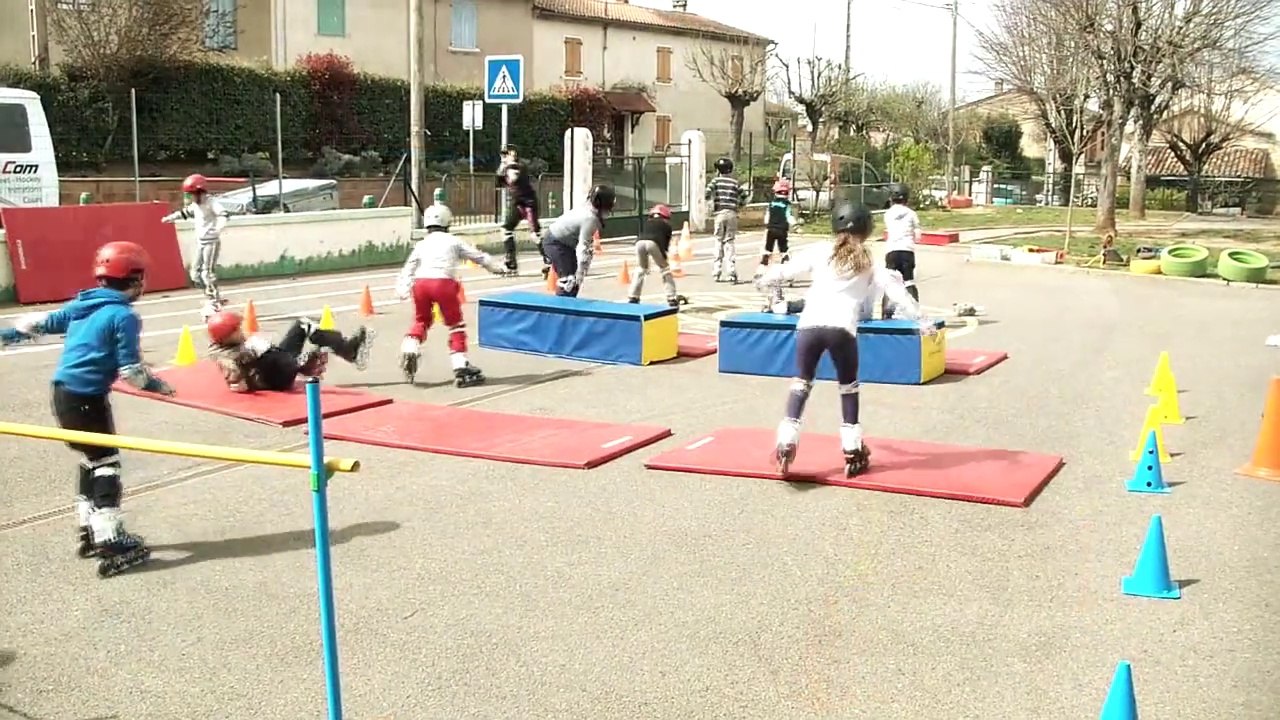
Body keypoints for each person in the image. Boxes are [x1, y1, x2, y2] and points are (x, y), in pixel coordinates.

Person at [7, 241, 175, 577]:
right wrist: (160, 386)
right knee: (106, 463)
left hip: (63, 393)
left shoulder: (84, 303)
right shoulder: (124, 315)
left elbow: (39, 324)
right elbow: (132, 372)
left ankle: (88, 529)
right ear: (137, 278)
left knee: (92, 459)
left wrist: (6, 334)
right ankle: (109, 539)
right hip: (86, 398)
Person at [756, 202, 934, 479]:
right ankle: (852, 448)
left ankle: (786, 441)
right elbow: (898, 294)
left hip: (810, 327)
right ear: (866, 229)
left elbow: (786, 270)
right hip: (842, 330)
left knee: (802, 383)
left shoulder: (820, 251)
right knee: (848, 387)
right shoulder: (870, 261)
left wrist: (764, 280)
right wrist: (923, 321)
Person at [394, 203, 506, 386]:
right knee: (455, 324)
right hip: (443, 283)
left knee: (422, 320)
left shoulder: (422, 244)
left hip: (420, 284)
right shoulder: (453, 241)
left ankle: (410, 346)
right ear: (447, 221)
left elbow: (409, 267)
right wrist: (498, 268)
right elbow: (477, 256)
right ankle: (460, 364)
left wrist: (403, 289)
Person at [206, 311, 373, 392]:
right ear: (227, 337)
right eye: (237, 330)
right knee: (265, 354)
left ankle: (349, 351)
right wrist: (249, 360)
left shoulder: (236, 343)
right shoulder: (225, 356)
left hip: (279, 363)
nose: (241, 331)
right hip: (270, 379)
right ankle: (299, 365)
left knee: (303, 324)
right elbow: (237, 381)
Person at [162, 173, 231, 320]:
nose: (189, 198)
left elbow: (223, 214)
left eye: (191, 194)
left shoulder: (211, 203)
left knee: (207, 273)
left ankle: (214, 302)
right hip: (201, 242)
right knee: (195, 274)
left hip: (211, 242)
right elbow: (184, 213)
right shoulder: (196, 205)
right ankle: (211, 295)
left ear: (200, 192)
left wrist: (218, 227)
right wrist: (170, 218)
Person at [540, 184, 616, 298]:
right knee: (569, 281)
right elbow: (584, 247)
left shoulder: (588, 208)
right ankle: (563, 309)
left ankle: (566, 304)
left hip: (561, 242)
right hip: (556, 243)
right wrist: (581, 272)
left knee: (572, 280)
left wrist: (580, 272)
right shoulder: (590, 219)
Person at [494, 145, 544, 276]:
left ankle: (550, 260)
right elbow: (498, 184)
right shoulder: (506, 167)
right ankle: (511, 261)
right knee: (506, 229)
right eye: (504, 154)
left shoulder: (519, 166)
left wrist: (506, 165)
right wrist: (502, 166)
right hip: (517, 203)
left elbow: (513, 177)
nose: (505, 156)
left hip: (529, 203)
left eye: (508, 154)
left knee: (535, 234)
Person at [626, 204, 688, 308]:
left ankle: (633, 297)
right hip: (654, 243)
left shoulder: (648, 223)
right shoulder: (666, 226)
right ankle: (671, 297)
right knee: (665, 270)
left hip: (639, 243)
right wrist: (664, 258)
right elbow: (664, 244)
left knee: (641, 269)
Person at [881, 182, 922, 318]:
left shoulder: (887, 214)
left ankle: (886, 314)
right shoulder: (912, 214)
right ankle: (914, 312)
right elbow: (918, 236)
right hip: (907, 250)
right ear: (907, 198)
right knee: (908, 281)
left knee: (890, 283)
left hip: (891, 251)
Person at [705, 156, 748, 284]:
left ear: (718, 170)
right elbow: (744, 197)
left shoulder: (715, 181)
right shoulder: (735, 183)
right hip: (732, 214)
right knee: (729, 242)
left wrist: (711, 203)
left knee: (718, 241)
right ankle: (731, 271)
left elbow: (707, 193)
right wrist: (738, 206)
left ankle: (716, 270)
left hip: (719, 214)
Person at [755, 178, 796, 280]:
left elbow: (766, 218)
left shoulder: (772, 204)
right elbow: (789, 216)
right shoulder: (787, 204)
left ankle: (760, 272)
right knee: (784, 251)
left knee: (767, 251)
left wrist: (768, 223)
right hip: (782, 230)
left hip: (771, 229)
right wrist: (796, 225)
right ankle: (788, 275)